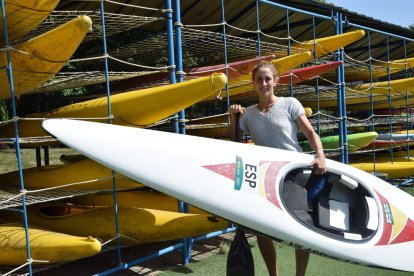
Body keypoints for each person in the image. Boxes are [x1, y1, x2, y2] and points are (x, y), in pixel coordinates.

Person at [225, 60, 326, 276]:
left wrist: (319, 155)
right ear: (253, 83)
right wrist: (233, 116)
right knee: (264, 230)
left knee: (300, 228)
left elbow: (310, 133)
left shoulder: (290, 103)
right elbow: (233, 141)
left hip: (293, 172)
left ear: (275, 81)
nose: (263, 83)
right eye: (259, 79)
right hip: (265, 174)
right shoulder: (249, 113)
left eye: (267, 79)